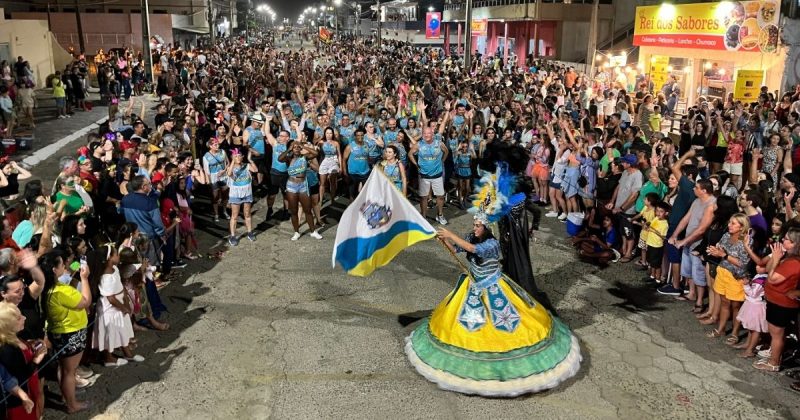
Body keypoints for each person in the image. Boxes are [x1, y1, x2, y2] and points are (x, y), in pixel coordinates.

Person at [405, 212, 581, 396]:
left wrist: (451, 235)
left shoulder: (491, 244)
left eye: (478, 225)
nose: (475, 228)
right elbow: (458, 249)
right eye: (474, 225)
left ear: (487, 228)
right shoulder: (473, 237)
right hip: (473, 285)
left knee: (504, 325)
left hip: (492, 286)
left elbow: (472, 249)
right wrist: (444, 240)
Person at [39, 251, 92, 414]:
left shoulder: (49, 287)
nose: (65, 266)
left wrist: (77, 271)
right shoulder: (60, 291)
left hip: (60, 332)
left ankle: (67, 397)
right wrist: (84, 279)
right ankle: (72, 405)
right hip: (71, 333)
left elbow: (69, 278)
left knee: (63, 369)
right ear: (55, 269)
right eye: (62, 264)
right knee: (70, 371)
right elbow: (86, 301)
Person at [90, 244, 143, 366]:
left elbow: (120, 287)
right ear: (109, 258)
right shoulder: (105, 277)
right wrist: (123, 307)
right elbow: (111, 298)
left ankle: (128, 354)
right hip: (110, 310)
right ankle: (109, 358)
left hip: (119, 305)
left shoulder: (115, 269)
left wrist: (126, 300)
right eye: (116, 254)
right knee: (110, 332)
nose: (118, 256)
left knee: (122, 329)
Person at [755, 228, 800, 372]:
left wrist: (775, 258)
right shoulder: (785, 256)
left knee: (777, 334)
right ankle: (773, 356)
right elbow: (768, 269)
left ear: (795, 244)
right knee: (774, 332)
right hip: (774, 301)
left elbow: (773, 279)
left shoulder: (794, 263)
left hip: (782, 304)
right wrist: (775, 258)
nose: (783, 240)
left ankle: (774, 363)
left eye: (787, 239)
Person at [0, 302, 43, 419]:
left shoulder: (15, 336)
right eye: (19, 318)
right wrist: (36, 360)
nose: (24, 317)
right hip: (18, 400)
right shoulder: (6, 350)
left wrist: (31, 345)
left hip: (28, 391)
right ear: (8, 325)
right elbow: (20, 377)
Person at [278, 141, 322, 241]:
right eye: (295, 147)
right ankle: (296, 232)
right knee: (294, 211)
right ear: (292, 149)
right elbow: (279, 159)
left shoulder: (304, 157)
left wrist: (303, 146)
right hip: (291, 186)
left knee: (308, 210)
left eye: (298, 147)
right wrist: (288, 149)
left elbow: (315, 153)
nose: (297, 149)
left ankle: (313, 231)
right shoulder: (289, 159)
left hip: (303, 185)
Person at [225, 148, 258, 246]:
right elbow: (229, 174)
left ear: (242, 157)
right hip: (235, 195)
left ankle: (250, 232)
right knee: (234, 216)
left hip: (247, 193)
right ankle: (233, 236)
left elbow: (255, 170)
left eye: (239, 156)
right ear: (232, 157)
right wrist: (232, 162)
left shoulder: (246, 166)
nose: (237, 157)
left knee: (247, 214)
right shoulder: (230, 167)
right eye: (235, 156)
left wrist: (250, 159)